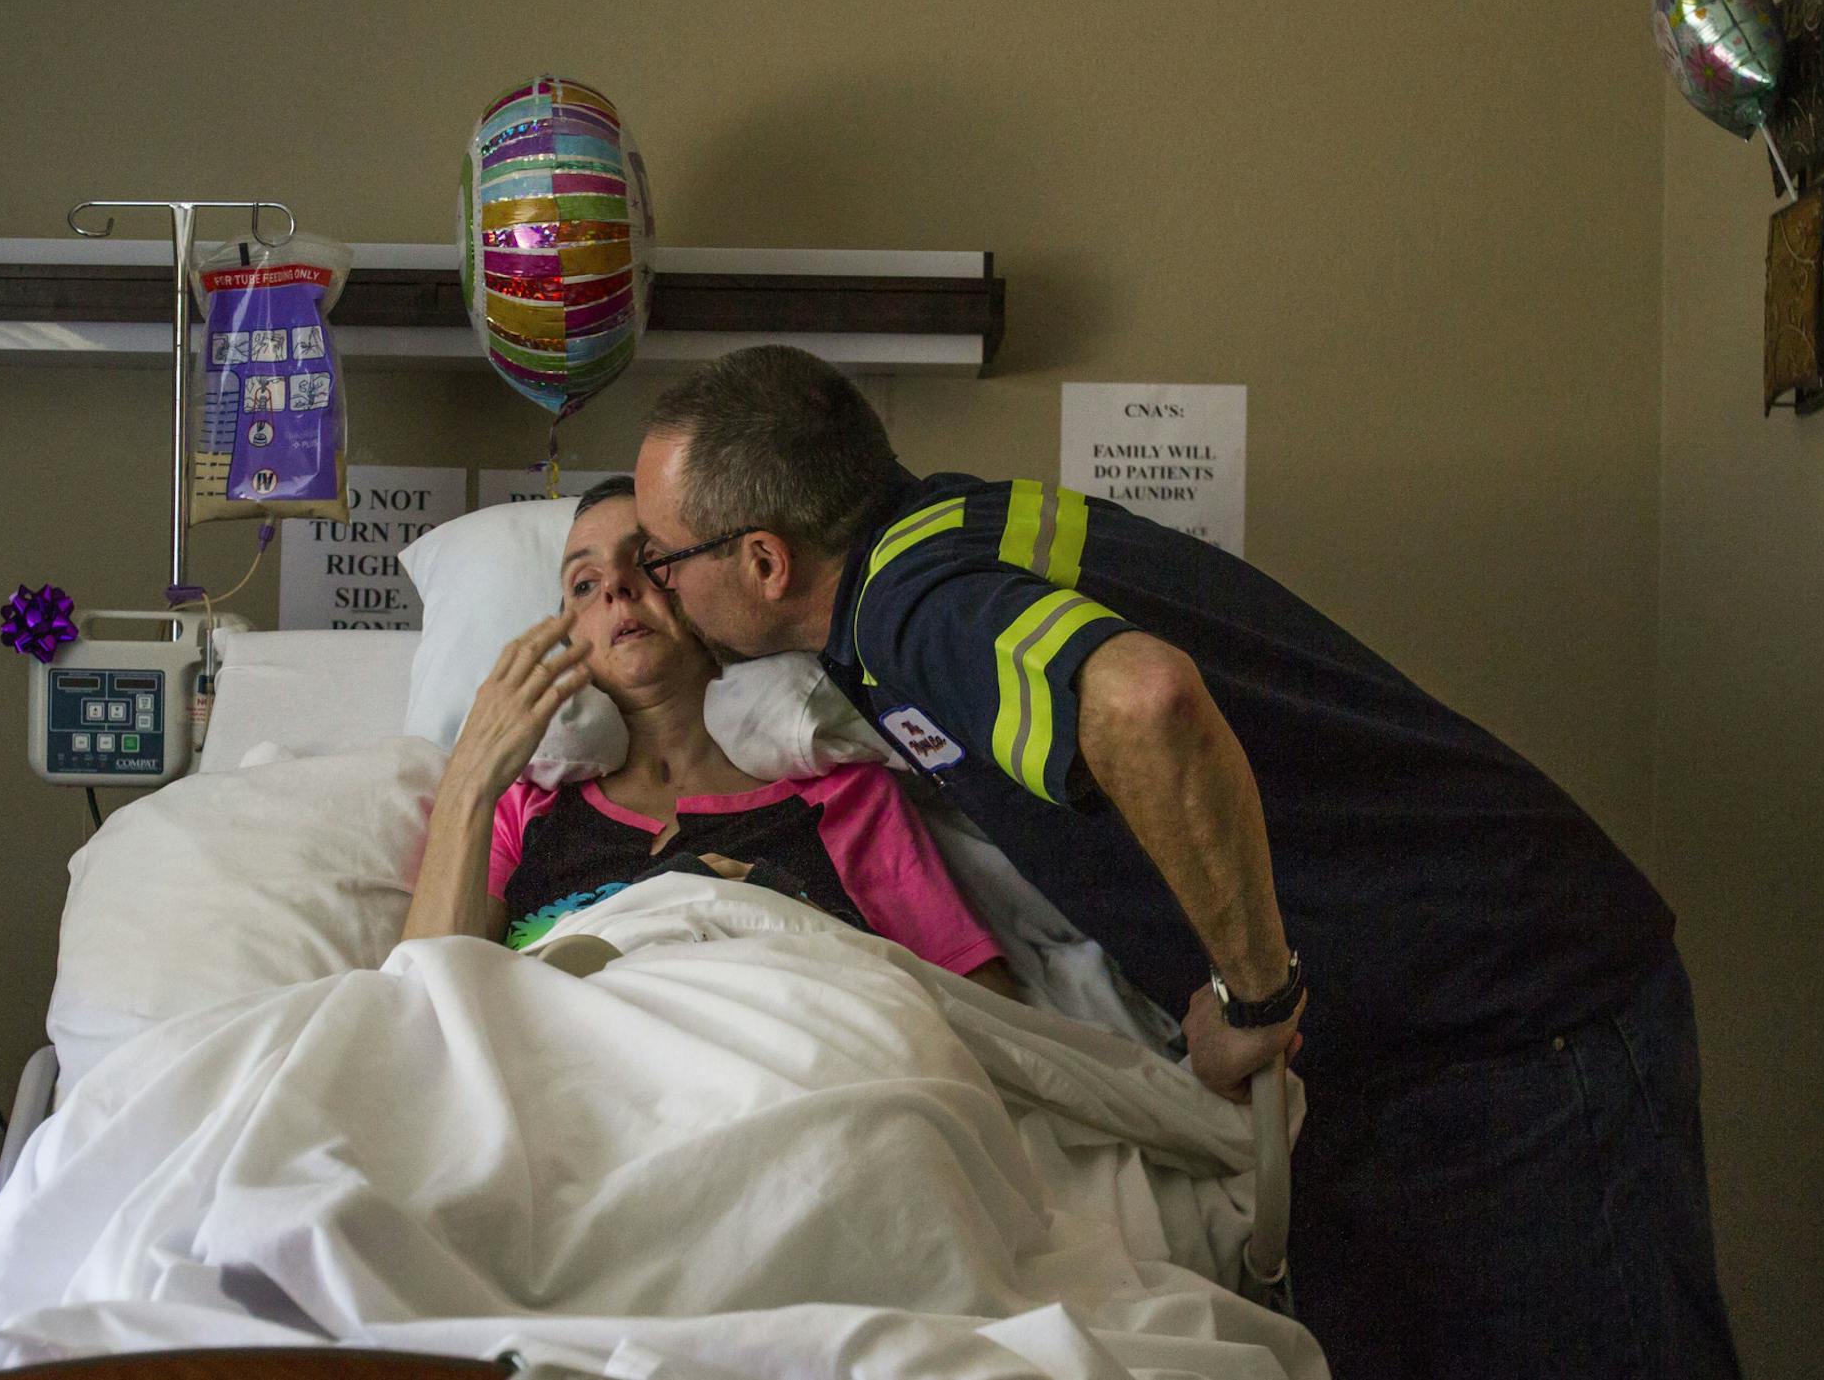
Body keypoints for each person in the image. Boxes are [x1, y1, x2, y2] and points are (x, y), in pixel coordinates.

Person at [629, 344, 1738, 1380]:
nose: (658, 589)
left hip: (1515, 1022)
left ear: (766, 560)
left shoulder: (910, 610)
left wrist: (1254, 994)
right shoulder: (949, 526)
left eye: (664, 559)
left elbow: (1143, 701)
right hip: (1424, 1040)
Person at [401, 476, 1020, 999]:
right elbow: (421, 999)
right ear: (573, 643)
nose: (616, 587)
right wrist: (471, 779)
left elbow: (982, 1009)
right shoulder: (524, 810)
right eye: (583, 585)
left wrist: (781, 920)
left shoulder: (841, 796)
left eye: (647, 560)